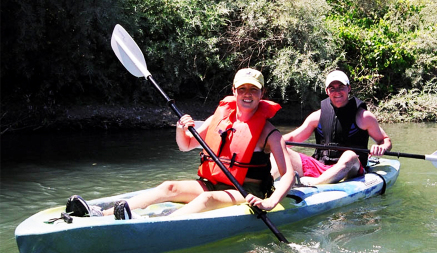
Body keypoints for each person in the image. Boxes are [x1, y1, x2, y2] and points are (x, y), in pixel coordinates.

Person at [67, 68, 294, 220]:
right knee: (169, 187)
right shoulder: (221, 118)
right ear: (233, 91)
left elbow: (288, 175)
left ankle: (156, 225)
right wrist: (180, 128)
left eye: (253, 90)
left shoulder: (269, 133)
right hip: (213, 183)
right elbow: (185, 145)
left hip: (246, 191)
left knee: (207, 199)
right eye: (242, 89)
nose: (247, 94)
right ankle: (100, 214)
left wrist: (270, 202)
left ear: (262, 93)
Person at [271, 70, 392, 186]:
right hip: (321, 166)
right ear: (327, 91)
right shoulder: (316, 116)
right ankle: (265, 184)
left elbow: (385, 140)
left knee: (349, 155)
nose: (337, 92)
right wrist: (269, 143)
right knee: (280, 148)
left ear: (348, 88)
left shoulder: (364, 117)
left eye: (341, 87)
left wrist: (381, 147)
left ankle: (314, 184)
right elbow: (292, 137)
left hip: (351, 168)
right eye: (332, 88)